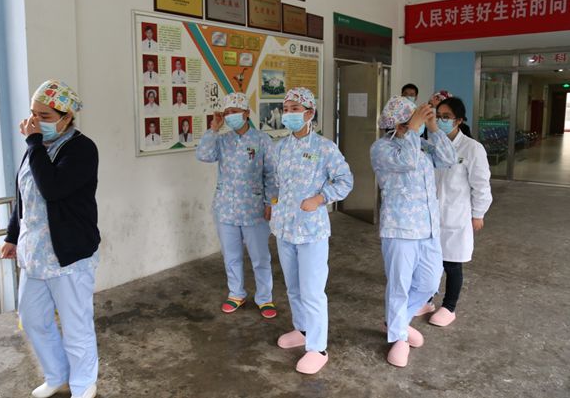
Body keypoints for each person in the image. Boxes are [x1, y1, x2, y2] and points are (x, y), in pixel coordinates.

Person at [1, 80, 99, 398]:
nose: (34, 121)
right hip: (35, 254)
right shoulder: (37, 147)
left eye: (44, 115)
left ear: (66, 117)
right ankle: (56, 374)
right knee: (32, 318)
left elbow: (53, 189)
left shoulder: (82, 149)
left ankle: (84, 384)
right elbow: (24, 194)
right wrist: (12, 236)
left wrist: (33, 143)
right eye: (33, 113)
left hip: (69, 255)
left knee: (76, 324)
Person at [370, 96, 457, 368]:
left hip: (428, 228)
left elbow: (449, 159)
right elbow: (406, 162)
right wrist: (413, 130)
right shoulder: (381, 148)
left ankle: (397, 322)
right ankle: (398, 337)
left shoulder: (420, 144)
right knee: (400, 286)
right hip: (399, 228)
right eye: (411, 122)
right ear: (397, 124)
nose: (415, 126)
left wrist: (433, 128)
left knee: (430, 283)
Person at [271, 87, 353, 375]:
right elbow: (274, 182)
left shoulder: (325, 148)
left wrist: (320, 199)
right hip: (284, 228)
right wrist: (273, 205)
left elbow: (345, 180)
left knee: (312, 291)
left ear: (309, 113)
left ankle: (318, 348)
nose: (289, 114)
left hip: (311, 231)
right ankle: (302, 329)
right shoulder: (279, 147)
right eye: (286, 109)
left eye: (295, 109)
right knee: (293, 286)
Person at [196, 92, 278, 319]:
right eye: (227, 113)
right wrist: (213, 129)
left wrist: (270, 201)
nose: (230, 116)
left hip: (254, 209)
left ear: (246, 113)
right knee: (231, 256)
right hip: (225, 209)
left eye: (234, 112)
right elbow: (203, 155)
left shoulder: (262, 140)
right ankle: (236, 294)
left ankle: (265, 298)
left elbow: (271, 173)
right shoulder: (222, 140)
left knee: (260, 257)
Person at [429, 97, 492, 327]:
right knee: (429, 262)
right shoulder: (432, 143)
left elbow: (481, 185)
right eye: (438, 116)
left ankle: (449, 306)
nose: (441, 121)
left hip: (457, 215)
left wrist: (478, 214)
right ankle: (426, 299)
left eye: (446, 117)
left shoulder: (472, 148)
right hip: (430, 215)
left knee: (452, 264)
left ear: (459, 120)